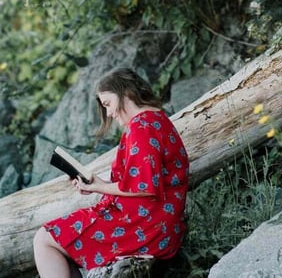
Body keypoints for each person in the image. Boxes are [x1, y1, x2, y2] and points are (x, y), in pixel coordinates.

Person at [33, 67, 189, 277]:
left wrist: (99, 187)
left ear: (126, 93)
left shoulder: (141, 128)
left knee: (44, 239)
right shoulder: (156, 119)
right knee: (57, 242)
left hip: (147, 227)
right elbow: (141, 182)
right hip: (156, 222)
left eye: (108, 104)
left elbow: (143, 188)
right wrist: (97, 184)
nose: (108, 113)